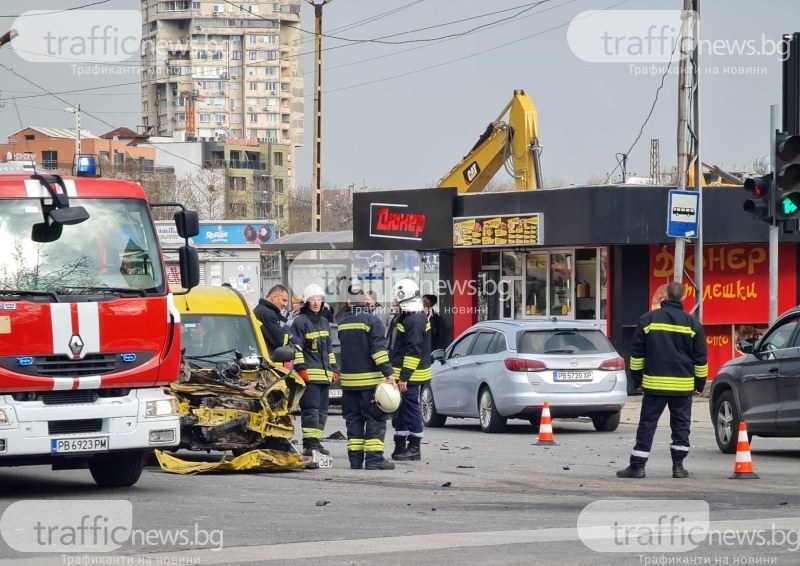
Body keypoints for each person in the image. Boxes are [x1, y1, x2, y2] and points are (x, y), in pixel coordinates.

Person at [617, 281, 708, 479]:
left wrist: (637, 380)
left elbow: (637, 355)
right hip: (682, 386)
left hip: (654, 384)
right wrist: (699, 384)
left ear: (665, 295)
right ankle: (678, 467)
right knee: (681, 425)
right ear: (683, 297)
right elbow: (700, 358)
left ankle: (638, 466)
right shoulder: (693, 324)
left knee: (647, 424)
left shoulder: (648, 320)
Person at [338, 290, 397, 470]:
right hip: (370, 382)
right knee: (375, 420)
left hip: (348, 384)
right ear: (366, 302)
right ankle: (374, 459)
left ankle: (355, 460)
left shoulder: (342, 323)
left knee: (353, 421)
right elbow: (378, 351)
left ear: (349, 302)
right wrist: (389, 374)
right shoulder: (372, 321)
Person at [291, 283, 338, 457]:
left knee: (322, 412)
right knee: (310, 410)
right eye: (313, 300)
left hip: (325, 376)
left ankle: (316, 443)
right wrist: (301, 369)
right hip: (310, 376)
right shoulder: (300, 322)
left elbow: (329, 349)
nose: (316, 303)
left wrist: (334, 369)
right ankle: (309, 444)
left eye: (319, 299)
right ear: (306, 302)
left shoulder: (325, 322)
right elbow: (297, 348)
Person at [389, 279, 432, 461]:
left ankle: (414, 447)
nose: (394, 303)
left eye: (396, 299)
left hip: (410, 375)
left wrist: (405, 377)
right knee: (400, 410)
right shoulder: (409, 316)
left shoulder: (414, 320)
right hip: (403, 373)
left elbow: (413, 351)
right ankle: (401, 444)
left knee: (410, 408)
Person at [253, 284, 291, 359]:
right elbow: (280, 340)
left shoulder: (260, 309)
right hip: (267, 358)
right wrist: (290, 336)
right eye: (284, 300)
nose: (285, 304)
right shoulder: (268, 314)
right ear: (274, 297)